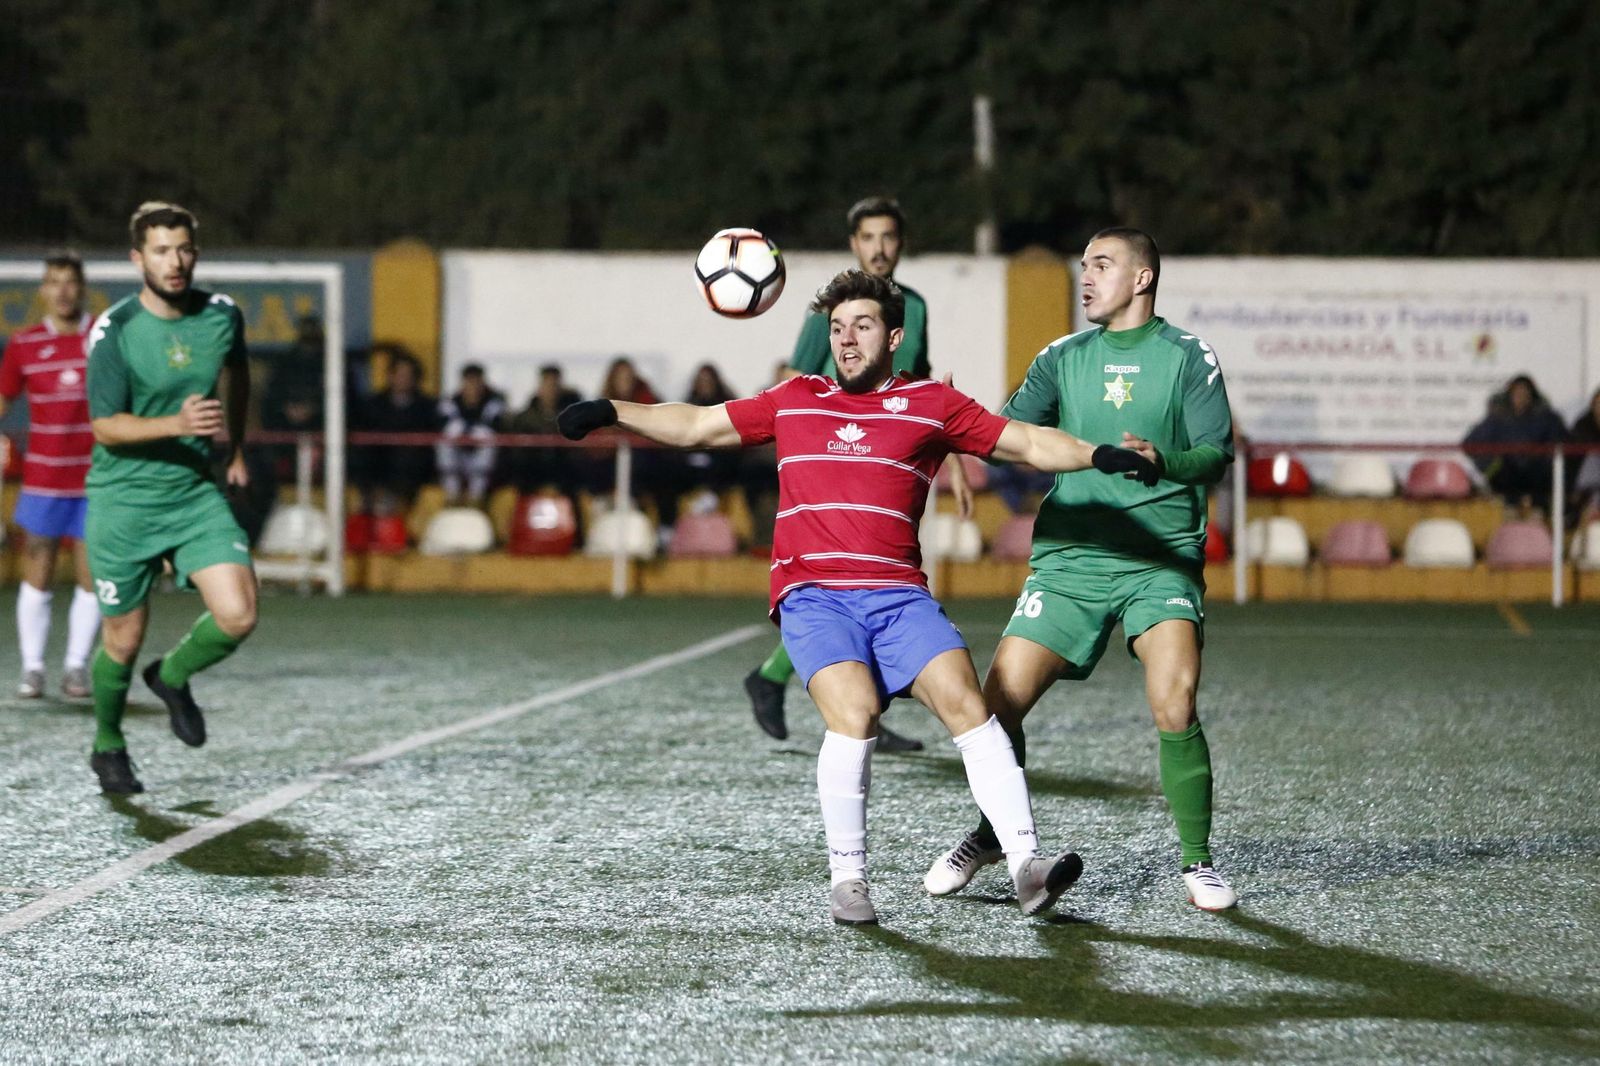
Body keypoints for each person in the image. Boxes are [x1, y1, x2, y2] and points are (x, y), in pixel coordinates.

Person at [558, 268, 1162, 925]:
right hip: (815, 596)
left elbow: (1024, 442)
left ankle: (1026, 866)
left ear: (894, 337)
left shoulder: (932, 404)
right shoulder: (795, 397)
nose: (846, 339)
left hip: (900, 597)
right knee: (856, 712)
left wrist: (1100, 454)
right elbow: (698, 426)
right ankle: (849, 880)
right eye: (837, 328)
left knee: (966, 702)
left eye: (863, 326)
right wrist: (614, 413)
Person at [921, 227, 1241, 912]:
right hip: (1072, 558)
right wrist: (950, 417)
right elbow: (1004, 438)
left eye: (1102, 265)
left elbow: (1216, 453)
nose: (1087, 277)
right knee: (996, 707)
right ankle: (991, 836)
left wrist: (1166, 462)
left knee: (1175, 699)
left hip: (1160, 560)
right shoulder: (1061, 356)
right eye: (1084, 266)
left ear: (1143, 277)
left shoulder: (1189, 356)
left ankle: (1198, 862)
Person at [743, 196, 971, 752]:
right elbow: (793, 376)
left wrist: (956, 459)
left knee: (873, 583)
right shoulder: (832, 310)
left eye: (888, 236)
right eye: (868, 237)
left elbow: (920, 388)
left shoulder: (911, 307)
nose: (879, 247)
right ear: (854, 244)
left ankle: (792, 684)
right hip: (834, 456)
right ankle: (792, 684)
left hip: (884, 455)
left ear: (901, 243)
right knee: (841, 584)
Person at [83, 202, 259, 794]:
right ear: (138, 259)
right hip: (123, 501)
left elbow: (238, 374)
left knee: (238, 613)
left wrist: (233, 447)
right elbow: (106, 426)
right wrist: (178, 422)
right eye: (161, 250)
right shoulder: (116, 330)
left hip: (190, 493)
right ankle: (108, 743)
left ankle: (173, 675)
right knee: (122, 640)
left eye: (183, 249)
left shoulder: (221, 315)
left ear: (196, 253)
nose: (174, 261)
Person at [0, 253, 101, 698]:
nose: (62, 291)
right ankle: (34, 668)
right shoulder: (23, 343)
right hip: (43, 479)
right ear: (43, 289)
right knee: (36, 571)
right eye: (54, 282)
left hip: (96, 480)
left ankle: (77, 667)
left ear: (82, 289)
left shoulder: (104, 337)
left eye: (70, 282)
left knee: (93, 575)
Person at [351, 347, 440, 518]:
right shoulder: (372, 404)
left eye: (408, 375)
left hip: (412, 474)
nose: (403, 380)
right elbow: (364, 439)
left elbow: (427, 445)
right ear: (390, 376)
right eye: (399, 374)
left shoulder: (427, 407)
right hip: (377, 469)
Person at [1462, 374, 1568, 517]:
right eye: (1516, 392)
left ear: (1532, 396)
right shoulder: (1498, 418)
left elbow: (1563, 442)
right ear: (1509, 395)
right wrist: (1492, 461)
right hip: (1506, 480)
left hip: (1537, 482)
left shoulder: (1546, 418)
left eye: (1525, 392)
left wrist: (1540, 457)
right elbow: (1470, 444)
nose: (1520, 396)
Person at [504, 363, 582, 495]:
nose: (550, 390)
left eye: (554, 385)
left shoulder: (571, 417)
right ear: (539, 387)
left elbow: (576, 455)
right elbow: (517, 457)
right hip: (528, 482)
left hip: (565, 483)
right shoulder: (524, 419)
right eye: (547, 384)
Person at [435, 363, 507, 506]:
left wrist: (470, 431)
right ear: (463, 383)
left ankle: (476, 497)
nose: (473, 387)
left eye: (477, 382)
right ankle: (452, 494)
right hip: (457, 459)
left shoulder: (494, 402)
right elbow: (445, 428)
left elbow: (495, 429)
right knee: (448, 435)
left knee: (487, 436)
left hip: (481, 463)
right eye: (470, 382)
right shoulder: (450, 402)